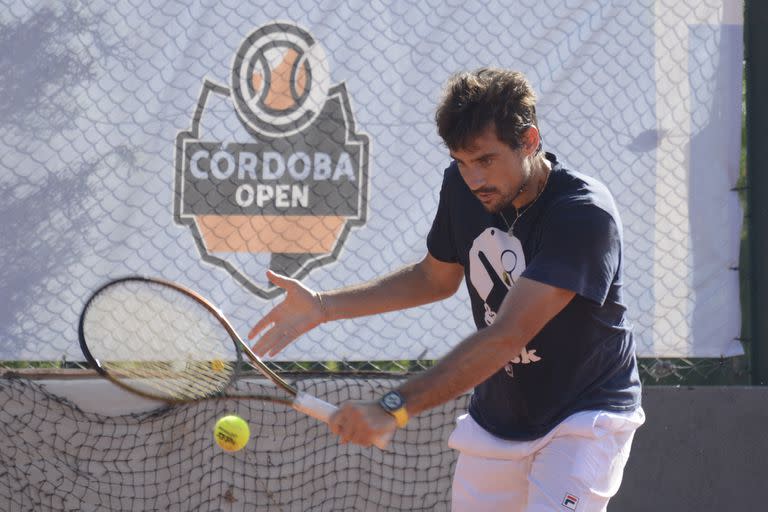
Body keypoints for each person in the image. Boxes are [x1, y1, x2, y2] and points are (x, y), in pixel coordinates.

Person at [248, 67, 644, 512]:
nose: (474, 178)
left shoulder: (583, 214)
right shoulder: (462, 188)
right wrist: (324, 306)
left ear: (529, 141)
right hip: (499, 418)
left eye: (486, 160)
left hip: (583, 416)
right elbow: (434, 279)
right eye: (462, 161)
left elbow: (506, 336)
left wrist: (394, 404)